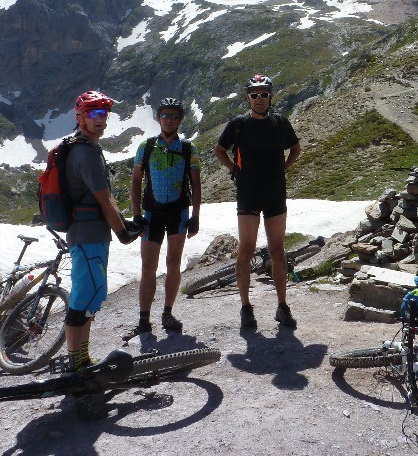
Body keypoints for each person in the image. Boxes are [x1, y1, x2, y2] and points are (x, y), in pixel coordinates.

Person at [214, 74, 301, 331]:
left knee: (277, 250)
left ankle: (282, 306)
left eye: (264, 94)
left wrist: (284, 168)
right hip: (248, 193)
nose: (260, 99)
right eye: (255, 95)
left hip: (275, 193)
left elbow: (295, 148)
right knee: (247, 249)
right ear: (248, 97)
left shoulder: (280, 123)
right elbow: (220, 149)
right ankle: (246, 307)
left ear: (271, 96)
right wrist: (234, 169)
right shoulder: (238, 124)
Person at [63, 90, 139, 372]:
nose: (100, 120)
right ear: (81, 117)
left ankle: (81, 358)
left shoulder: (83, 148)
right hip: (88, 236)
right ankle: (76, 363)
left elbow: (103, 197)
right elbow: (103, 197)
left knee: (88, 297)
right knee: (83, 300)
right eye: (94, 114)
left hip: (89, 234)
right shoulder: (86, 152)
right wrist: (122, 232)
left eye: (104, 114)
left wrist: (120, 223)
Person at [131, 97, 201, 334]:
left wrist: (196, 216)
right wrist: (137, 215)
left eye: (174, 116)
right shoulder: (146, 147)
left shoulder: (188, 148)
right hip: (152, 213)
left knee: (173, 264)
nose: (169, 120)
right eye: (165, 115)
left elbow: (196, 184)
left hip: (178, 212)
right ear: (158, 118)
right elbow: (136, 181)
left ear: (180, 120)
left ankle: (168, 313)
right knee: (148, 266)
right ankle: (143, 318)